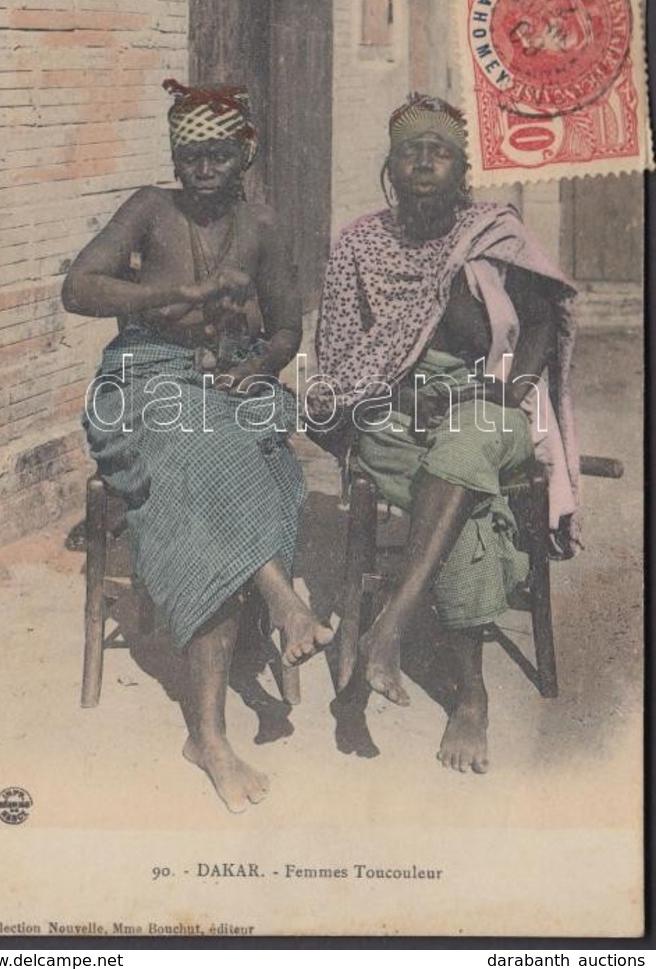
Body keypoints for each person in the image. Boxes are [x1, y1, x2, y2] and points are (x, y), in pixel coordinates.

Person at [62, 80, 332, 813]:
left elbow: (285, 327)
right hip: (145, 376)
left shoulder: (262, 226)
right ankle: (278, 606)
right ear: (176, 162)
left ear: (242, 157)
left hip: (232, 380)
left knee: (258, 455)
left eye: (217, 156)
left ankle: (205, 730)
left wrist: (257, 366)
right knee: (209, 448)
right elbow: (79, 288)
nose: (202, 171)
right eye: (190, 158)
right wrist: (167, 297)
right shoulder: (151, 209)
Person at [313, 93, 580, 775]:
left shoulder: (493, 233)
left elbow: (545, 323)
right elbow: (341, 357)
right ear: (390, 168)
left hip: (488, 401)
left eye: (440, 152)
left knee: (464, 450)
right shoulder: (359, 246)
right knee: (460, 499)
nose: (425, 162)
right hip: (394, 411)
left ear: (463, 171)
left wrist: (504, 389)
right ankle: (472, 695)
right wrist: (396, 395)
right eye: (411, 151)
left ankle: (391, 622)